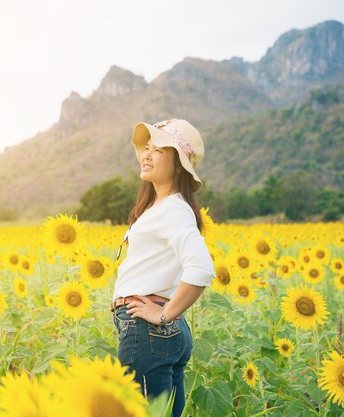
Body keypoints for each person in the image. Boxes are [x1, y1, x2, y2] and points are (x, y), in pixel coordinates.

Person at [110, 118, 216, 417]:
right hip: (162, 332)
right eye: (147, 148)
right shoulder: (160, 207)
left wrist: (163, 314)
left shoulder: (173, 209)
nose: (146, 154)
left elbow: (201, 268)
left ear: (179, 165)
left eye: (158, 150)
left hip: (148, 330)